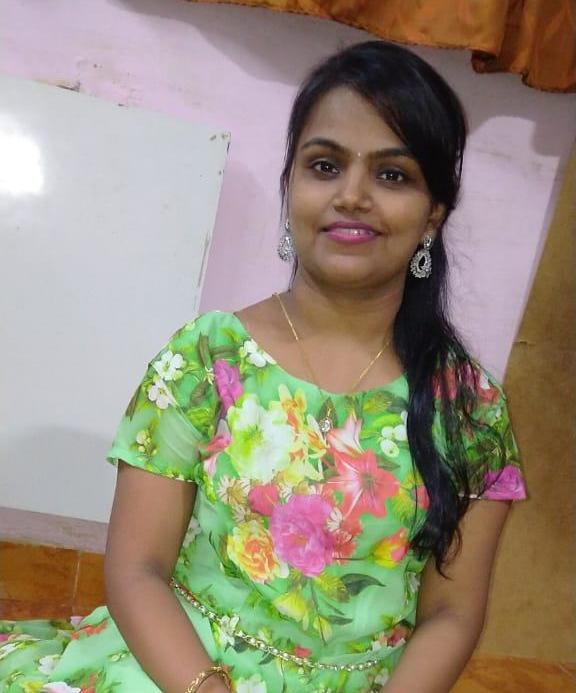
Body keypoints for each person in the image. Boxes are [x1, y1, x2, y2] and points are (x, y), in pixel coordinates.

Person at [0, 41, 527, 693]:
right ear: (291, 186)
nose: (352, 195)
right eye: (325, 166)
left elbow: (451, 615)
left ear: (433, 215)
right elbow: (137, 568)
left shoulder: (468, 406)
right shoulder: (206, 359)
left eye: (392, 175)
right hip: (180, 671)